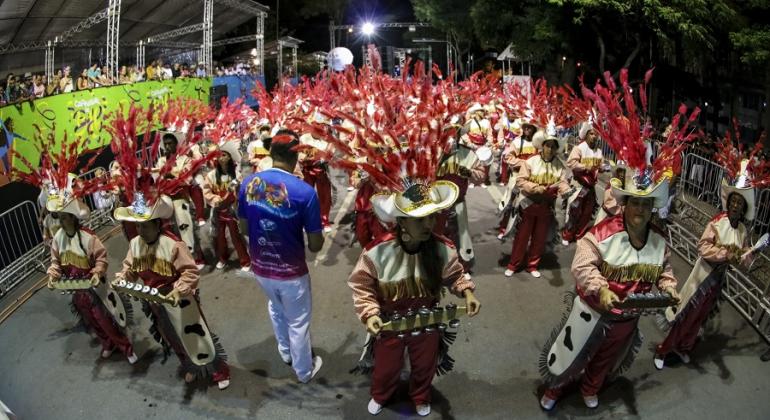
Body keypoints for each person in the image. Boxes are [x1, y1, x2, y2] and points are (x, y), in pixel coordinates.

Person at [539, 172, 680, 410]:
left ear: (653, 208)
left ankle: (590, 388)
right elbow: (582, 264)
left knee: (605, 359)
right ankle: (555, 387)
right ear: (624, 204)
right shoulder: (603, 232)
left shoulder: (658, 239)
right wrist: (601, 288)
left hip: (627, 318)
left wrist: (669, 288)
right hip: (593, 313)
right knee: (573, 355)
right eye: (635, 202)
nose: (640, 209)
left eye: (646, 204)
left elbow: (663, 269)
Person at [348, 177, 481, 417]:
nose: (429, 224)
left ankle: (420, 395)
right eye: (420, 219)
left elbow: (455, 275)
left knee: (424, 365)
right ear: (401, 222)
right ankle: (381, 394)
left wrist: (467, 292)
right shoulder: (377, 251)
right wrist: (370, 314)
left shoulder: (443, 248)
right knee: (386, 367)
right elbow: (362, 285)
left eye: (432, 216)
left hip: (427, 324)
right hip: (390, 324)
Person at [113, 194, 231, 389]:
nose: (141, 230)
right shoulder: (135, 244)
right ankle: (190, 366)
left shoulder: (173, 244)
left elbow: (190, 272)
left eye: (145, 225)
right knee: (172, 337)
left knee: (196, 336)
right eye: (138, 226)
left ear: (158, 224)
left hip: (180, 300)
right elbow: (130, 269)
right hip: (155, 302)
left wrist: (179, 290)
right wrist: (123, 278)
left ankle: (219, 370)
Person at [654, 161, 762, 368]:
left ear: (743, 209)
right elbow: (702, 248)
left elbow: (743, 259)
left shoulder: (742, 232)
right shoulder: (718, 221)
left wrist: (752, 253)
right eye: (734, 201)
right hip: (702, 276)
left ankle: (684, 348)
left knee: (700, 318)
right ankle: (663, 350)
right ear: (729, 203)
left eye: (740, 203)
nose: (736, 205)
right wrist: (724, 254)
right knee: (686, 313)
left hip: (717, 283)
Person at [238, 131, 325, 383]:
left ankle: (285, 352)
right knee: (298, 321)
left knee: (276, 309)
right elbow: (316, 245)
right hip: (291, 273)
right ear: (296, 155)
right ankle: (304, 371)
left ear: (271, 153)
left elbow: (243, 229)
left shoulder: (248, 183)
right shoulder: (304, 192)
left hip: (260, 268)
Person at [46, 182, 137, 364]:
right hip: (78, 291)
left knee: (105, 320)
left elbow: (101, 258)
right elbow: (55, 261)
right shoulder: (57, 239)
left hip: (96, 289)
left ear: (72, 218)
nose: (61, 222)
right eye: (59, 218)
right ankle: (107, 344)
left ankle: (125, 347)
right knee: (93, 323)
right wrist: (53, 275)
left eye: (64, 218)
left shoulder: (88, 237)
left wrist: (97, 272)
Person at [504, 127, 570, 278]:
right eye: (548, 145)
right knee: (522, 237)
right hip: (528, 205)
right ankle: (513, 265)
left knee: (539, 238)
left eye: (554, 146)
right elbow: (520, 181)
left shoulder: (560, 165)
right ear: (542, 145)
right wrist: (535, 188)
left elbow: (562, 182)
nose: (551, 149)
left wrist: (565, 190)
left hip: (546, 208)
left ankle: (532, 265)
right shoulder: (530, 161)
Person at [155, 131, 206, 268]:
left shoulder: (185, 159)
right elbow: (158, 180)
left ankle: (197, 257)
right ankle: (181, 260)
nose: (167, 147)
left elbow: (186, 179)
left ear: (176, 145)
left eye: (170, 144)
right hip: (166, 202)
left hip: (181, 199)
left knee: (187, 228)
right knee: (171, 231)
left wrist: (170, 173)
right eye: (165, 144)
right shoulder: (160, 161)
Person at [202, 141, 250, 271]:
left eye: (224, 155)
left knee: (236, 237)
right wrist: (215, 198)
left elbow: (242, 192)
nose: (221, 158)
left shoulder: (236, 174)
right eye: (219, 155)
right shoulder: (211, 175)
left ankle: (245, 260)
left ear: (229, 157)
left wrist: (238, 190)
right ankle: (222, 258)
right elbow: (206, 191)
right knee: (219, 237)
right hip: (218, 211)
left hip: (231, 211)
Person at [562, 121, 605, 245]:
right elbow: (571, 163)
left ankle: (579, 234)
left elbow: (600, 165)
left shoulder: (599, 151)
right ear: (586, 135)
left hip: (591, 186)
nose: (594, 136)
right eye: (591, 133)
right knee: (574, 211)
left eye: (596, 134)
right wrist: (586, 166)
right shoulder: (579, 148)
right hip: (579, 185)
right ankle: (567, 235)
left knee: (587, 212)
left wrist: (602, 168)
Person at [497, 119, 538, 240]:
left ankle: (524, 230)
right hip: (516, 177)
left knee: (528, 204)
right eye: (525, 127)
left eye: (529, 127)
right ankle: (503, 229)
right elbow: (508, 157)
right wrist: (524, 163)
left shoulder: (538, 143)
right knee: (511, 203)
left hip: (531, 178)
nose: (527, 129)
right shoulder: (517, 141)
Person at [299, 132, 333, 232]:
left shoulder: (327, 140)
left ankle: (324, 220)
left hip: (322, 171)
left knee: (325, 196)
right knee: (306, 197)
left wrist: (326, 159)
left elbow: (330, 156)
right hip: (307, 170)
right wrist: (306, 158)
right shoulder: (304, 138)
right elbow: (299, 154)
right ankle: (307, 221)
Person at [461, 103, 494, 187]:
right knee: (472, 164)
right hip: (472, 146)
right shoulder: (469, 122)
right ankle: (471, 181)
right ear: (475, 112)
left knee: (483, 165)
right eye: (480, 111)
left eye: (482, 111)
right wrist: (469, 143)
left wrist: (489, 143)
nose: (482, 112)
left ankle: (482, 181)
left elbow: (490, 134)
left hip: (483, 146)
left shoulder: (487, 122)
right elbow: (463, 133)